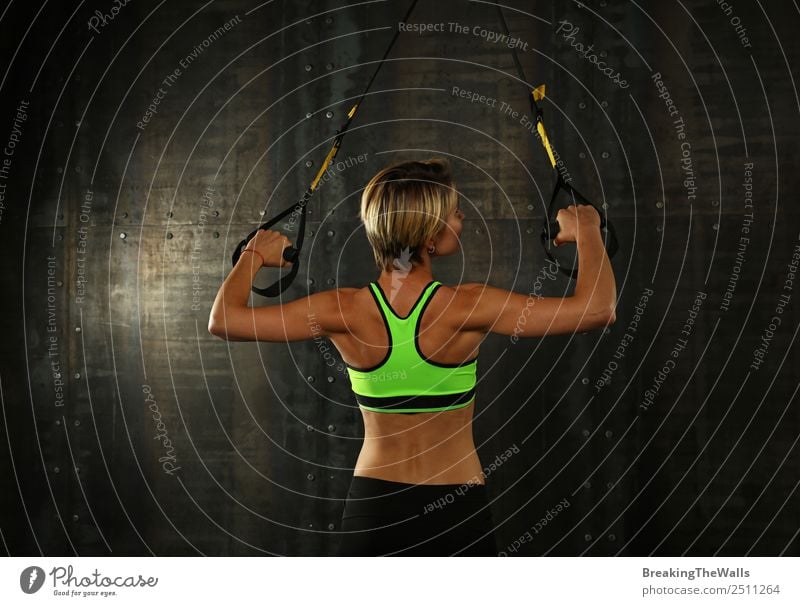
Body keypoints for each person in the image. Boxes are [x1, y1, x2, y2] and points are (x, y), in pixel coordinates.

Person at [208, 157, 616, 556]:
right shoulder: (468, 307)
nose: (462, 219)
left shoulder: (342, 311)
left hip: (374, 510)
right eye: (454, 213)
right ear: (429, 236)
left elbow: (224, 320)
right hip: (457, 510)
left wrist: (254, 254)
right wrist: (587, 232)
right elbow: (598, 309)